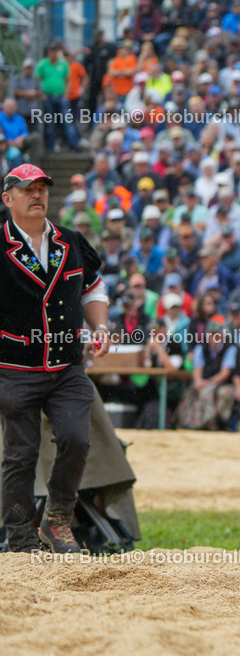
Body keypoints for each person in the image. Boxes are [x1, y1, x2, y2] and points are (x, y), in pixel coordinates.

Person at [0, 164, 111, 553]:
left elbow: (93, 286)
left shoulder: (72, 241)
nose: (37, 195)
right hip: (13, 369)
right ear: (7, 198)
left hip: (67, 366)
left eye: (43, 188)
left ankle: (58, 519)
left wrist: (100, 328)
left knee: (77, 439)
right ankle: (19, 538)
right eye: (27, 189)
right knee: (20, 453)